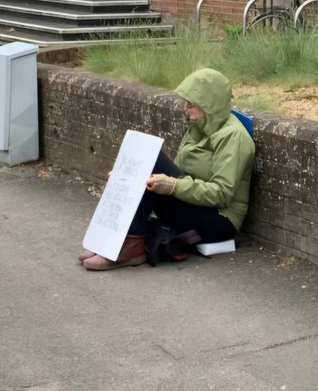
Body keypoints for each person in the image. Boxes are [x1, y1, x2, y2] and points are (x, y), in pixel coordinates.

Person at [79, 68, 254, 270]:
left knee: (151, 160)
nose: (186, 108)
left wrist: (172, 186)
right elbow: (180, 172)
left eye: (192, 103)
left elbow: (221, 194)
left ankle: (130, 246)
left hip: (219, 222)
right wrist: (125, 178)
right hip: (196, 206)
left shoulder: (234, 137)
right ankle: (113, 240)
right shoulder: (199, 127)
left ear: (209, 104)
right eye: (185, 102)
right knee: (144, 171)